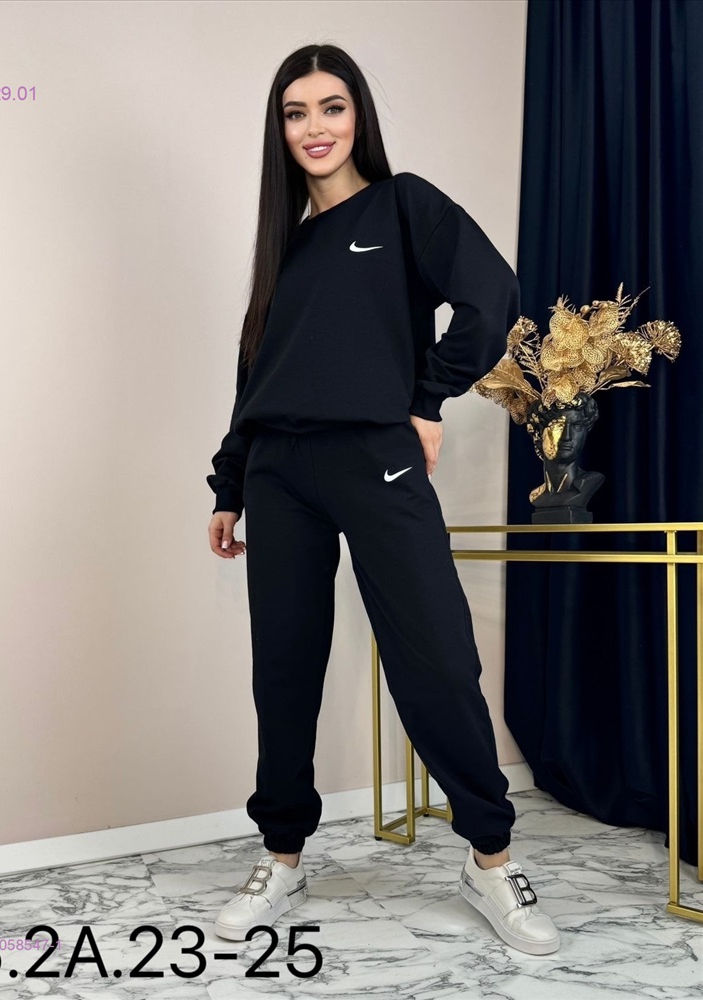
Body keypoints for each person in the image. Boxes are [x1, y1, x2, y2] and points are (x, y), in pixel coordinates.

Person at [206, 43, 560, 956]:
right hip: (279, 473)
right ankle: (282, 854)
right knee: (285, 667)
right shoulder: (284, 248)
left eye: (331, 107)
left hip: (376, 460)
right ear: (280, 131)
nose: (314, 127)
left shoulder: (404, 207)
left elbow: (493, 295)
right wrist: (230, 483)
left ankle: (490, 861)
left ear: (357, 114)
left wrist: (426, 398)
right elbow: (255, 375)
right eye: (295, 113)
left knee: (436, 657)